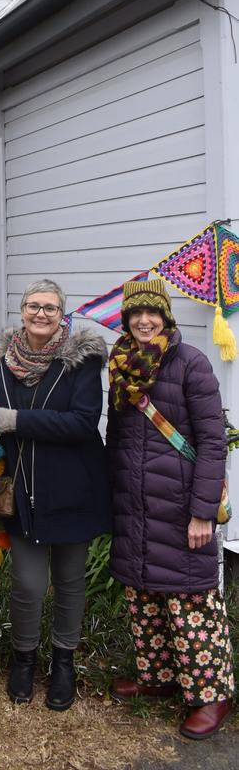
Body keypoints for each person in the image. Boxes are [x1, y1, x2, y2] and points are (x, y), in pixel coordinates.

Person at [0, 279, 110, 710]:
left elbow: (83, 422)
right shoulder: (2, 361)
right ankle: (23, 660)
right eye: (33, 306)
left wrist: (17, 421)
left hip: (73, 490)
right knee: (27, 585)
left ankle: (63, 662)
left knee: (68, 582)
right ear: (22, 311)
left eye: (49, 307)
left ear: (61, 314)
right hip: (20, 492)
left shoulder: (80, 363)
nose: (40, 313)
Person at [107, 278, 234, 740]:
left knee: (190, 601)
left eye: (152, 313)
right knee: (144, 594)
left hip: (181, 506)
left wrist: (202, 511)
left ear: (166, 316)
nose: (144, 320)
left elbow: (213, 443)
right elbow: (118, 439)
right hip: (135, 503)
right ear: (125, 319)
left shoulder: (191, 364)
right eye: (135, 314)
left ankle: (213, 694)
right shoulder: (120, 364)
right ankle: (158, 678)